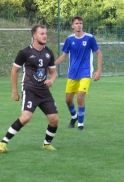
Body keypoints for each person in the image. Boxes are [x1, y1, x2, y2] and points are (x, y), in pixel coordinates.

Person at [0, 25, 58, 153]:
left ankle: (46, 144)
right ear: (34, 36)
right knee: (26, 117)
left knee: (54, 119)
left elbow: (53, 72)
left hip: (44, 90)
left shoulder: (49, 53)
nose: (45, 36)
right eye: (42, 33)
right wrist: (14, 91)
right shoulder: (25, 52)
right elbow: (14, 71)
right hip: (29, 89)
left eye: (45, 33)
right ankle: (3, 142)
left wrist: (51, 81)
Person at [55, 15, 102, 131]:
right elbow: (63, 56)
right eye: (76, 23)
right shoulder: (69, 39)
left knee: (80, 97)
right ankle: (74, 117)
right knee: (68, 100)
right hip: (72, 73)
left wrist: (98, 70)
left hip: (85, 72)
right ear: (72, 26)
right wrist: (52, 64)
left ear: (82, 25)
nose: (78, 25)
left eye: (80, 23)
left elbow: (99, 54)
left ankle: (80, 124)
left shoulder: (90, 38)